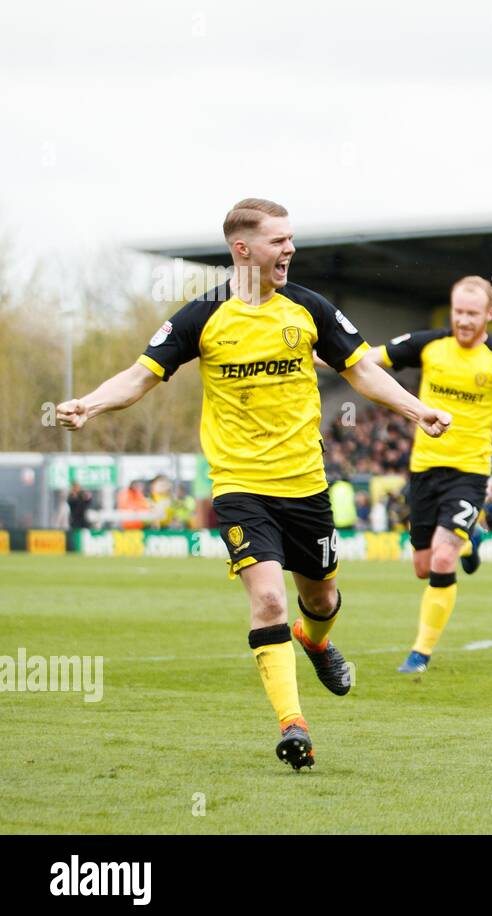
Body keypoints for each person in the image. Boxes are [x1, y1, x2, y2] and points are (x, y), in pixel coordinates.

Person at [56, 197, 451, 770]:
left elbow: (362, 369)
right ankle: (293, 725)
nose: (289, 249)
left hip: (306, 484)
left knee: (321, 598)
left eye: (291, 239)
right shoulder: (201, 316)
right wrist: (88, 404)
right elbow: (143, 376)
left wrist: (418, 411)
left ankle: (315, 640)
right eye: (277, 241)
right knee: (267, 598)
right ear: (242, 249)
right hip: (240, 485)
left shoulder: (309, 308)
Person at [369, 276, 492, 674]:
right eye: (458, 312)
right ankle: (473, 538)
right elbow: (365, 359)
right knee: (423, 565)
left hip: (469, 471)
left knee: (442, 556)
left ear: (488, 314)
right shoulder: (429, 345)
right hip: (424, 470)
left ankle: (420, 654)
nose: (464, 321)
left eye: (472, 313)